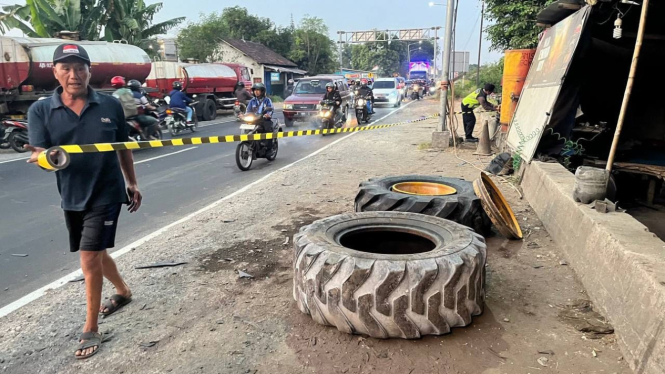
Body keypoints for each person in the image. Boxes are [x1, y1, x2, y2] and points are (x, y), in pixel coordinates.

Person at [25, 44, 141, 360]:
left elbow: (123, 147)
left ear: (90, 71)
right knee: (98, 252)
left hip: (107, 190)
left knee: (89, 256)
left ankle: (90, 328)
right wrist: (48, 159)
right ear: (55, 71)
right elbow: (37, 154)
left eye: (80, 68)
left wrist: (131, 182)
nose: (74, 74)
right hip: (72, 193)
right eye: (66, 68)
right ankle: (124, 292)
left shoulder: (110, 105)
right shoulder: (40, 111)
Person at [244, 82, 274, 152]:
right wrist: (244, 115)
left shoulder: (267, 100)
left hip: (264, 119)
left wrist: (268, 114)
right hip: (254, 119)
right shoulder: (252, 101)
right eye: (255, 90)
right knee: (246, 128)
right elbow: (248, 110)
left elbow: (271, 109)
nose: (256, 92)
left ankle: (269, 148)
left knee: (268, 128)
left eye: (258, 90)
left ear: (262, 91)